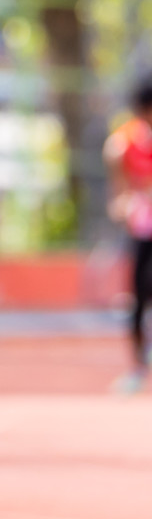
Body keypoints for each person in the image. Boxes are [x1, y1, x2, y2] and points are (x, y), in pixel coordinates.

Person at [104, 79, 152, 393]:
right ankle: (137, 367)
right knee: (138, 297)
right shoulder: (124, 142)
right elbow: (119, 190)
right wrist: (122, 201)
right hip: (143, 229)